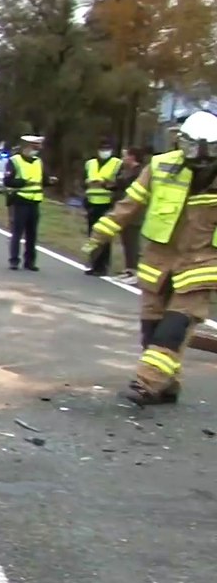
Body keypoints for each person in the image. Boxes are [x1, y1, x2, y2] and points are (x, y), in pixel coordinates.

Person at [81, 110, 217, 405]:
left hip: (201, 266)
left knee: (174, 328)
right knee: (152, 330)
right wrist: (100, 234)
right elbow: (130, 204)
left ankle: (146, 383)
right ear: (182, 143)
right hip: (159, 263)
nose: (204, 158)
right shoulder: (160, 167)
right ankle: (169, 384)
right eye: (196, 148)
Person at [3, 134, 46, 271]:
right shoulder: (14, 161)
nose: (35, 150)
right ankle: (14, 260)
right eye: (33, 147)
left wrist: (50, 181)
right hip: (20, 201)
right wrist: (24, 182)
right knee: (17, 233)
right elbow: (8, 181)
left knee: (32, 234)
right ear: (26, 147)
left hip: (35, 202)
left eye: (37, 148)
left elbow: (43, 180)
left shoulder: (38, 162)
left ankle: (30, 262)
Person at [81, 139, 123, 276]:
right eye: (102, 148)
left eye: (107, 148)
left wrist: (105, 183)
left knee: (104, 236)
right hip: (91, 203)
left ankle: (103, 266)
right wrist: (88, 182)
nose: (104, 151)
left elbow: (120, 184)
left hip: (107, 204)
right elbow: (83, 181)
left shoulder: (117, 164)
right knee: (92, 236)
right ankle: (93, 264)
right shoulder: (90, 164)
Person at [111, 147, 148, 284]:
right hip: (125, 210)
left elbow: (129, 186)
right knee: (126, 240)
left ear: (132, 157)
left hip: (135, 211)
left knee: (132, 241)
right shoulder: (126, 170)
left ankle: (135, 271)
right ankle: (129, 269)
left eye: (125, 156)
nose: (123, 159)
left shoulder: (140, 172)